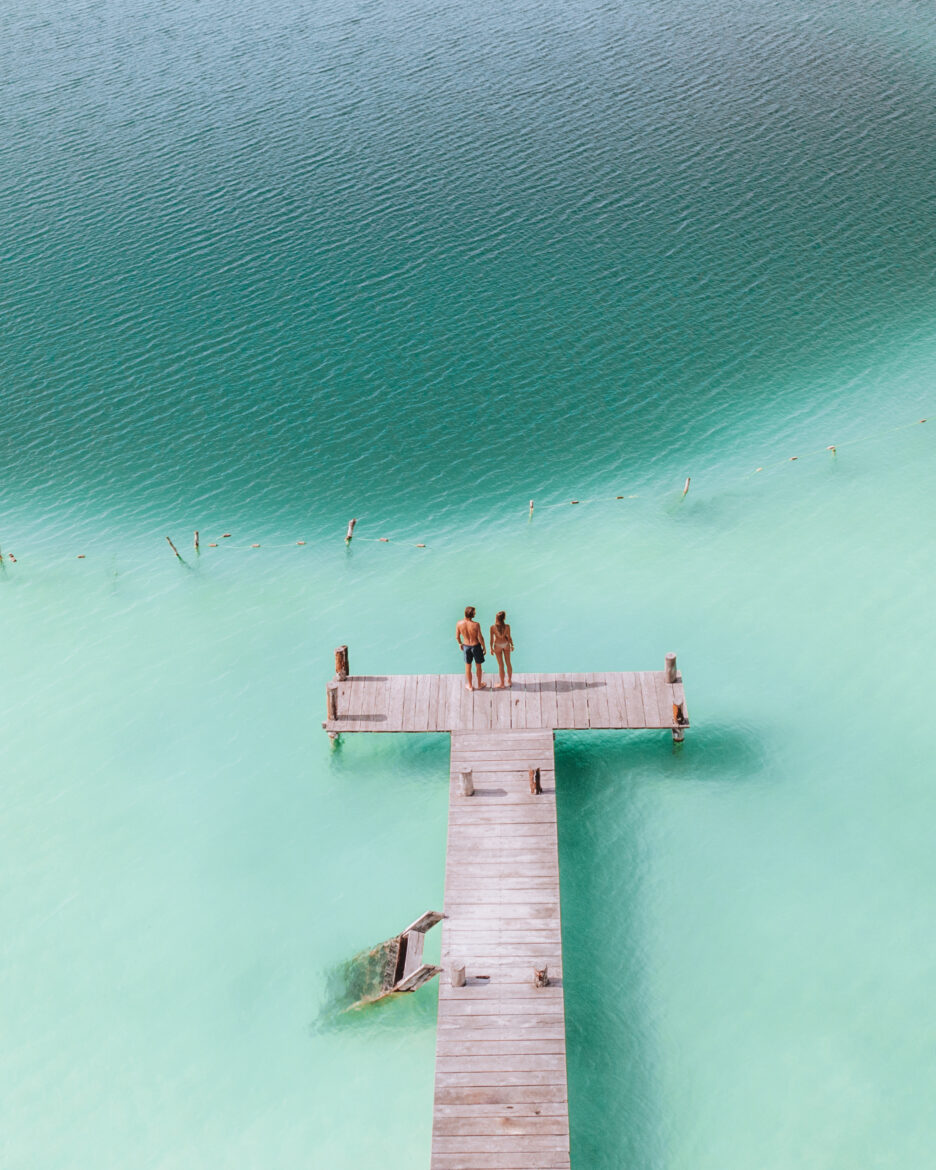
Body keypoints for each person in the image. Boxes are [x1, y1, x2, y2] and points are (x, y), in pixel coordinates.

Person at [456, 606, 487, 691]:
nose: (475, 613)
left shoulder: (459, 623)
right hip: (476, 646)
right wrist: (484, 646)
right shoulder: (476, 624)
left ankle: (470, 686)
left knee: (468, 667)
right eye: (474, 612)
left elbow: (457, 636)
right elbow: (480, 637)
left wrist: (460, 644)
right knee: (478, 666)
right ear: (471, 613)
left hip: (466, 647)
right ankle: (479, 684)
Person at [489, 610, 514, 689]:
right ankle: (509, 681)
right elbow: (509, 637)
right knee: (508, 663)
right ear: (504, 618)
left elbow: (491, 639)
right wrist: (512, 645)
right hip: (506, 644)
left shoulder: (493, 627)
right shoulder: (507, 626)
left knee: (501, 665)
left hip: (498, 645)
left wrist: (491, 648)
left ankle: (502, 683)